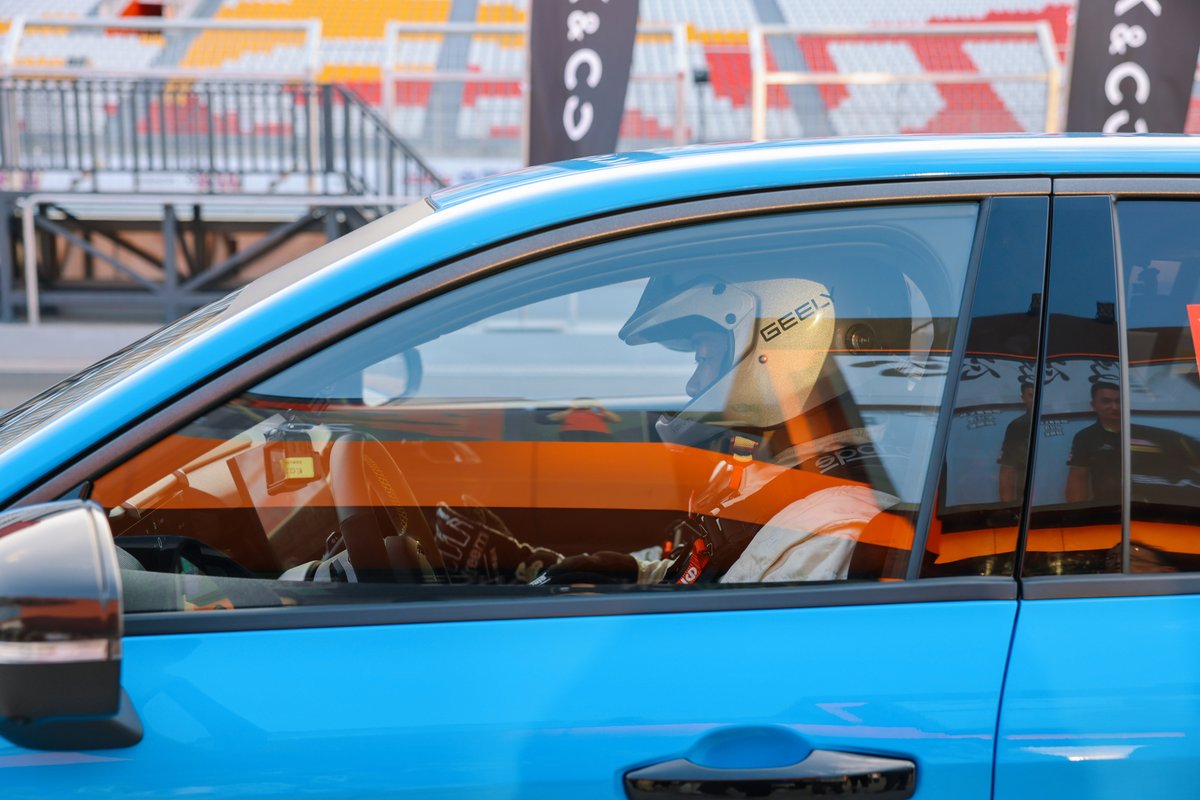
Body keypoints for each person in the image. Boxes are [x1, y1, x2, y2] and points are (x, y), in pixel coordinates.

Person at [435, 268, 919, 586]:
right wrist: (633, 574)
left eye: (707, 356)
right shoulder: (800, 494)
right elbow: (718, 581)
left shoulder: (835, 525)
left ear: (785, 341)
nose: (694, 380)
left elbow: (714, 645)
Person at [1065, 381, 1122, 503]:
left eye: (1118, 401)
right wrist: (1077, 516)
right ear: (1093, 404)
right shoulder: (1085, 437)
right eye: (1106, 401)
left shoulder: (1139, 432)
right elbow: (1078, 480)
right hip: (1103, 509)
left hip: (1141, 507)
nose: (1115, 407)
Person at [998, 380, 1035, 503]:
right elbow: (1007, 472)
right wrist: (1007, 508)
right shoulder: (1017, 427)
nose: (1035, 399)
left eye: (1038, 395)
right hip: (1025, 503)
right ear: (1023, 398)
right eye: (1031, 396)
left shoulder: (1054, 425)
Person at [547, 399, 622, 441]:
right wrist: (571, 409)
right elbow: (552, 418)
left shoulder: (598, 415)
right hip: (572, 436)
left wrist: (601, 408)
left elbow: (616, 420)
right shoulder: (568, 414)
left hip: (599, 437)